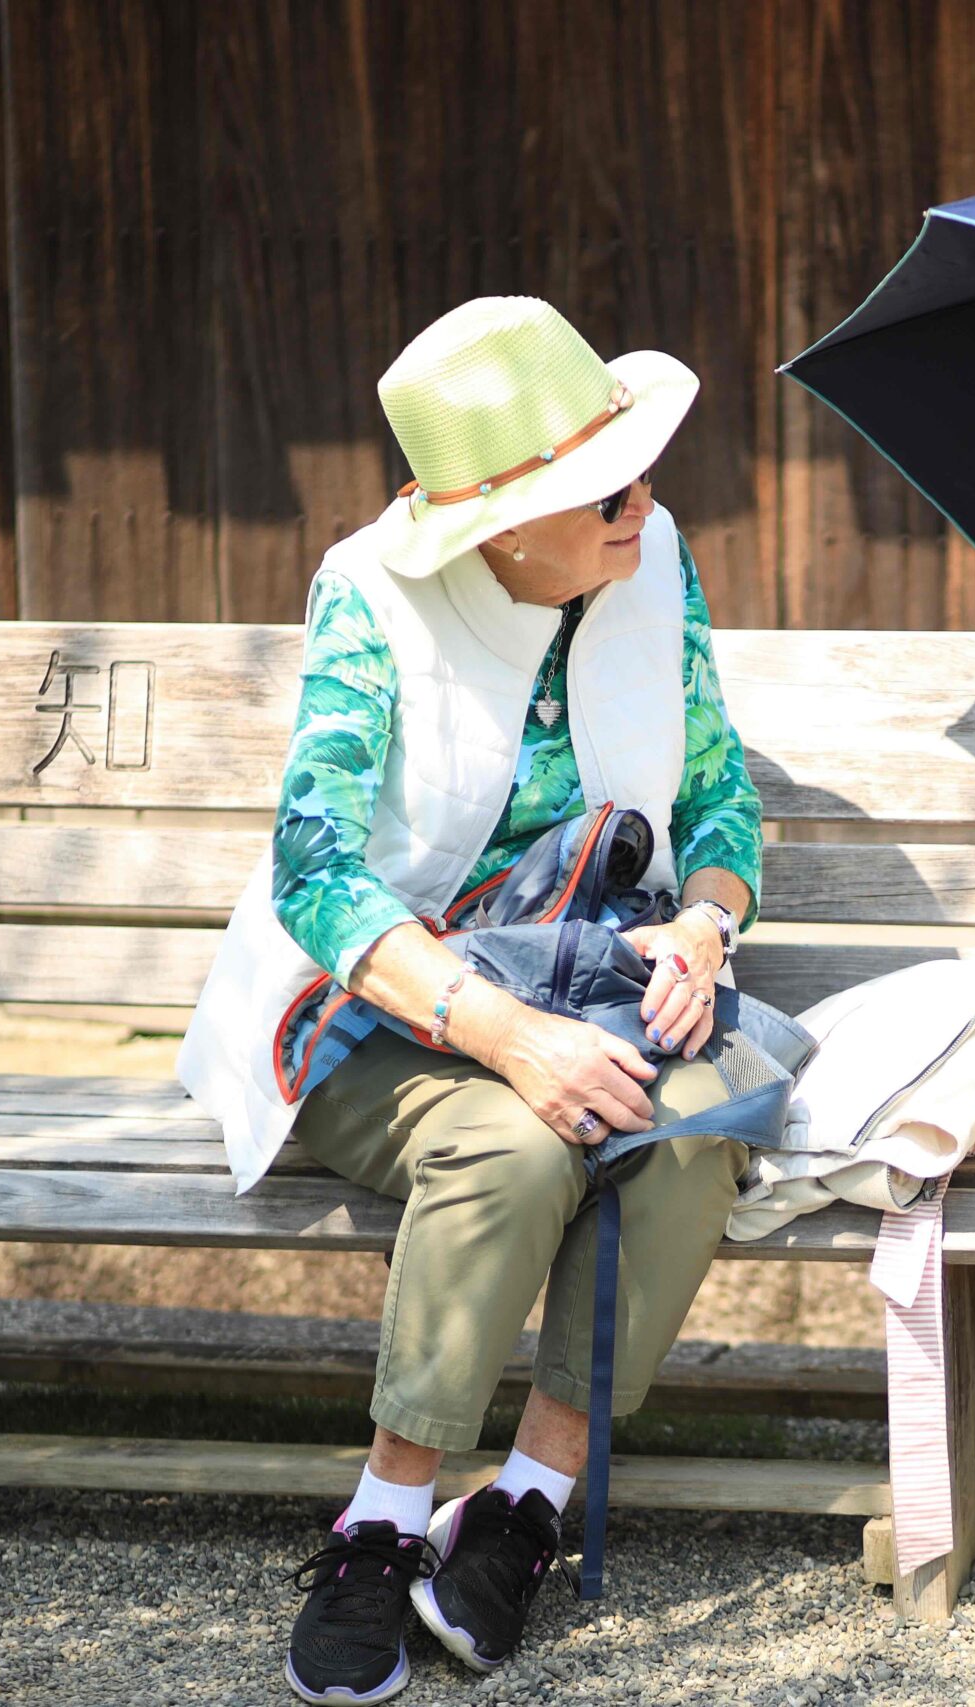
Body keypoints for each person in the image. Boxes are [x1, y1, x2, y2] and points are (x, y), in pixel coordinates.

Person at [176, 297, 766, 1705]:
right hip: (392, 1001)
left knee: (688, 1127)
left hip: (606, 977)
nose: (641, 503)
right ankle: (382, 1521)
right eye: (602, 490)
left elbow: (722, 796)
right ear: (499, 528)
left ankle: (525, 1505)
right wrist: (505, 1035)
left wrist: (703, 921)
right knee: (511, 1147)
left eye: (635, 472)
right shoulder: (372, 595)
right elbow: (313, 868)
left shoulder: (652, 562)